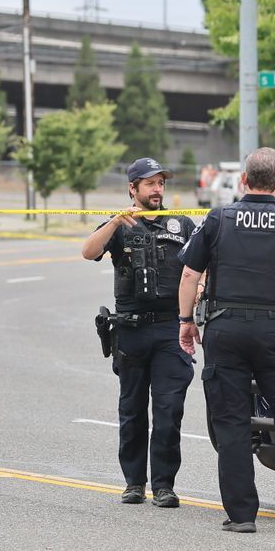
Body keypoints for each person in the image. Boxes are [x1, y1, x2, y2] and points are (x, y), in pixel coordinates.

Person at [177, 147, 275, 534]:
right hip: (274, 332)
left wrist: (185, 322)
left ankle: (243, 516)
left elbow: (190, 276)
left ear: (243, 180)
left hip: (225, 331)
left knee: (230, 421)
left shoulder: (218, 218)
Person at [81, 157, 197, 509]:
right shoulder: (120, 226)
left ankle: (164, 485)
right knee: (132, 410)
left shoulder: (183, 225)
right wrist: (116, 220)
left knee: (168, 410)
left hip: (169, 329)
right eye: (150, 183)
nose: (158, 189)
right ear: (133, 189)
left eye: (161, 182)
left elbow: (202, 265)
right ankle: (134, 483)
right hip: (131, 329)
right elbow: (89, 251)